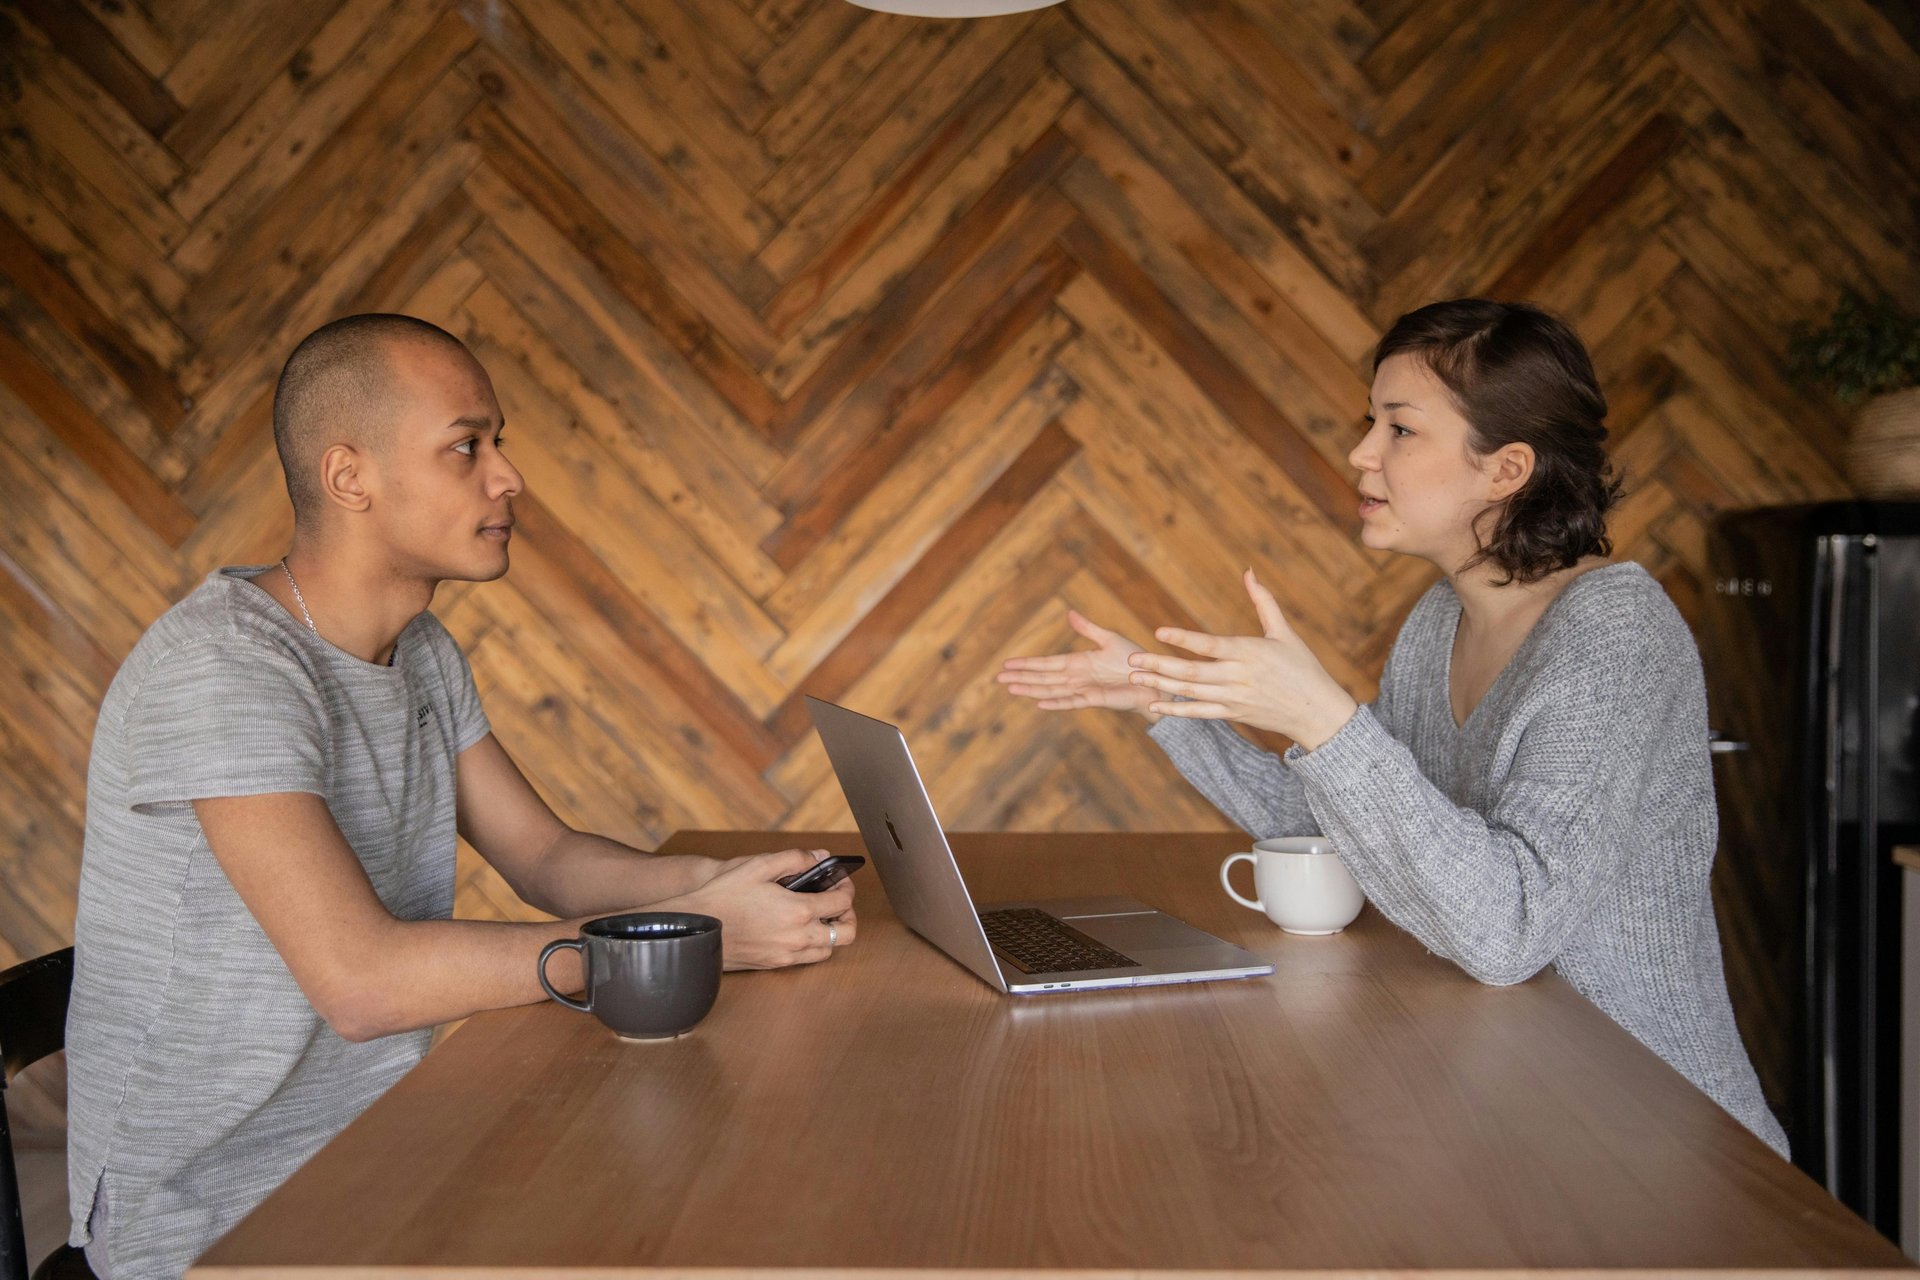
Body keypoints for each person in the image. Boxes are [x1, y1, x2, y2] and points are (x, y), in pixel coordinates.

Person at [64, 314, 858, 1279]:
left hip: (382, 1149)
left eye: (498, 445)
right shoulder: (224, 669)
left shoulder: (422, 652)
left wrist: (721, 881)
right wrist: (690, 938)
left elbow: (546, 859)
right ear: (349, 476)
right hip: (220, 1213)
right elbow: (364, 984)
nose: (507, 477)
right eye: (465, 447)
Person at [1000, 298, 1788, 1156]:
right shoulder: (1436, 624)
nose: (1360, 453)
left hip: (1653, 1138)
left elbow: (1507, 934)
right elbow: (1343, 830)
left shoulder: (1615, 637)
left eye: (1400, 430)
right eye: (1368, 422)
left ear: (1506, 469)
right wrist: (1163, 701)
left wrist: (1324, 720)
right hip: (1513, 1102)